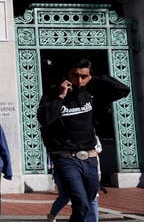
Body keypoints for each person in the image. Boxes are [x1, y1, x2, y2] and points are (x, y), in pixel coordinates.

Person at [38, 57, 129, 222]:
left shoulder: (91, 93)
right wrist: (60, 96)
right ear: (68, 75)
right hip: (66, 158)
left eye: (84, 76)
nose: (79, 80)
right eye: (75, 75)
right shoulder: (54, 94)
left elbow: (123, 89)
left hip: (90, 158)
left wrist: (95, 79)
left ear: (89, 77)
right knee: (80, 202)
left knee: (86, 202)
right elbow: (45, 119)